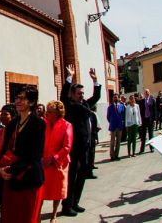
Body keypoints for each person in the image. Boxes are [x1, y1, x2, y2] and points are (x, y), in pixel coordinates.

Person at [0, 86, 45, 223]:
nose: (18, 101)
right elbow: (4, 149)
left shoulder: (38, 124)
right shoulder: (12, 124)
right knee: (10, 217)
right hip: (10, 179)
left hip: (29, 179)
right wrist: (0, 168)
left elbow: (35, 155)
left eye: (22, 98)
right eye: (17, 97)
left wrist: (11, 169)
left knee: (27, 218)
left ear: (31, 102)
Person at [59, 64, 101, 217]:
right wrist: (69, 78)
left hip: (86, 147)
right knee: (72, 176)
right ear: (72, 95)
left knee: (83, 174)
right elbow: (63, 96)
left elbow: (96, 97)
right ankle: (67, 205)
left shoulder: (85, 104)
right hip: (74, 148)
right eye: (79, 93)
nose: (82, 95)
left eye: (83, 93)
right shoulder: (69, 105)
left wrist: (95, 82)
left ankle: (75, 202)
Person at [41, 100, 72, 223]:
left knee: (57, 190)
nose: (46, 114)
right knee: (41, 190)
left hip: (59, 163)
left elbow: (67, 146)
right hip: (44, 162)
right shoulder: (44, 124)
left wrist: (54, 158)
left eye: (50, 112)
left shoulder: (66, 125)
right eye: (47, 111)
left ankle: (53, 215)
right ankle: (37, 214)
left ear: (57, 113)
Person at [106, 93, 125, 161]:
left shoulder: (122, 106)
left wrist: (121, 122)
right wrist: (112, 122)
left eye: (116, 97)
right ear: (113, 98)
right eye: (114, 97)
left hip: (119, 126)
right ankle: (112, 155)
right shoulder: (110, 107)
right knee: (112, 142)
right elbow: (108, 117)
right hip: (113, 126)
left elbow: (123, 115)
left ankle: (117, 155)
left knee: (118, 141)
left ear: (119, 98)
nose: (115, 98)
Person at [137, 89, 157, 153]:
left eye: (147, 92)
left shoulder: (152, 100)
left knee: (151, 135)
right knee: (143, 135)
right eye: (145, 92)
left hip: (150, 120)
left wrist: (154, 119)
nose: (147, 93)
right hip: (144, 120)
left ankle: (152, 148)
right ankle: (142, 149)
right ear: (144, 94)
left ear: (149, 93)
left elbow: (155, 110)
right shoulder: (142, 101)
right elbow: (139, 111)